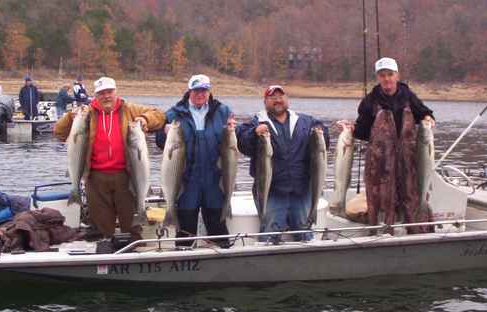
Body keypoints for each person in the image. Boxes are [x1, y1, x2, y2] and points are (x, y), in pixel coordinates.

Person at [54, 77, 165, 240]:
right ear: (95, 95)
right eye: (101, 93)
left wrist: (145, 119)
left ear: (115, 92)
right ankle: (107, 250)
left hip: (126, 176)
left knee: (130, 221)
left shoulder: (129, 109)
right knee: (102, 223)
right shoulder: (86, 114)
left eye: (109, 92)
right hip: (95, 178)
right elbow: (59, 133)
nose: (106, 96)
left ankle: (132, 249)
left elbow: (159, 116)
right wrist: (70, 117)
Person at [336, 57, 435, 231]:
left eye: (390, 74)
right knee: (381, 200)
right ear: (378, 77)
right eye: (382, 75)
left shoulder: (408, 96)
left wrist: (428, 118)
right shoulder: (370, 101)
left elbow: (423, 113)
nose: (387, 79)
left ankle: (418, 232)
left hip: (408, 160)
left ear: (397, 75)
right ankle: (380, 232)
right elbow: (362, 131)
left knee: (413, 197)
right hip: (379, 163)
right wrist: (349, 129)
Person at [237, 85, 330, 243]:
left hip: (301, 190)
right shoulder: (256, 122)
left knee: (304, 232)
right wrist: (254, 133)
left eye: (281, 96)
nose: (278, 100)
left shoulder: (305, 121)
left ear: (287, 99)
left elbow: (324, 140)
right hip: (271, 190)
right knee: (269, 233)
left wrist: (321, 132)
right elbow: (242, 141)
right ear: (265, 101)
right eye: (273, 98)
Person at [155, 74, 234, 248]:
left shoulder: (223, 111)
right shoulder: (174, 113)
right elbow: (160, 142)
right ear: (189, 91)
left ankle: (222, 258)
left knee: (217, 225)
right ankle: (183, 258)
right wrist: (163, 131)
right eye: (196, 90)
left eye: (204, 90)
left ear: (209, 91)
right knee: (185, 228)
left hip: (214, 179)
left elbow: (235, 141)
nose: (200, 94)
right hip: (186, 180)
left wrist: (234, 130)